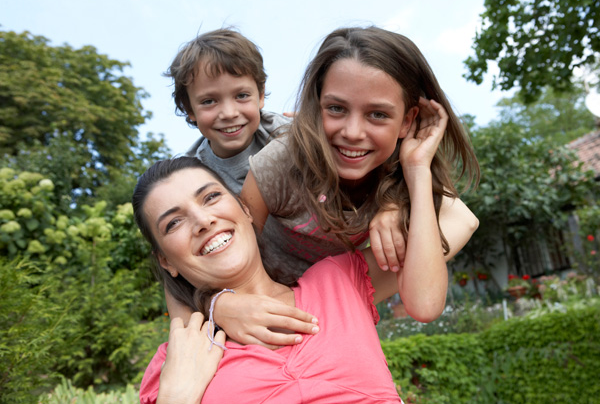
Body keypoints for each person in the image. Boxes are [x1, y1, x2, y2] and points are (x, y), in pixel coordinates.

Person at [167, 26, 480, 346]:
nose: (353, 132)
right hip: (266, 288)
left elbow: (429, 296)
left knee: (458, 218)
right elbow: (177, 263)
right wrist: (219, 306)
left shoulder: (391, 162)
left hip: (332, 291)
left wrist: (399, 196)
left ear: (407, 120)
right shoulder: (251, 167)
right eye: (336, 108)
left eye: (377, 114)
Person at [133, 127, 449, 401]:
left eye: (211, 197)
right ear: (165, 261)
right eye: (173, 223)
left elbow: (459, 219)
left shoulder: (337, 281)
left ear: (245, 208)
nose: (203, 220)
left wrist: (400, 192)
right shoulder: (179, 358)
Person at [165, 27, 290, 195]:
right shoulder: (192, 174)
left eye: (241, 96)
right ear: (190, 109)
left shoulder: (289, 133)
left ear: (260, 96)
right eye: (209, 101)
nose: (229, 113)